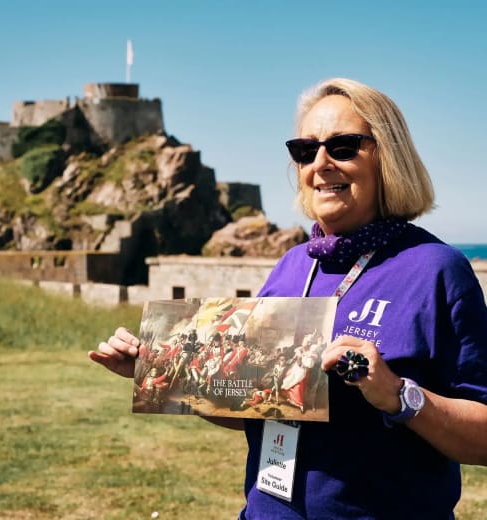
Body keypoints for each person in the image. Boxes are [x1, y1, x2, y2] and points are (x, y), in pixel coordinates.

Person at [88, 77, 487, 519]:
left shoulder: (436, 269)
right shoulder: (293, 266)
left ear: (387, 155)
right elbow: (252, 406)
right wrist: (161, 370)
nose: (320, 164)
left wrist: (396, 395)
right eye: (304, 150)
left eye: (343, 146)